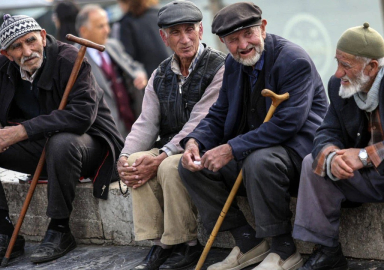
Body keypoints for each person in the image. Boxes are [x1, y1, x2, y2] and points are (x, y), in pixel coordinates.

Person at [178, 2, 328, 270]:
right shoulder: (233, 65)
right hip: (254, 150)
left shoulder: (293, 60)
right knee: (192, 167)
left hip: (297, 152)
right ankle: (248, 242)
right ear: (223, 42)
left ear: (264, 27)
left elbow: (287, 124)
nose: (243, 45)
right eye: (233, 40)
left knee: (258, 161)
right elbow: (218, 113)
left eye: (249, 34)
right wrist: (194, 141)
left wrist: (231, 148)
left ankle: (284, 249)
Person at [0, 14, 123, 263]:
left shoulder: (70, 59)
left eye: (31, 41)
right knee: (53, 143)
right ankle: (4, 232)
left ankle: (59, 229)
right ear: (6, 54)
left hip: (90, 146)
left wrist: (22, 131)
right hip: (41, 147)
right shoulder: (4, 70)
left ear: (43, 37)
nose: (27, 51)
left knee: (61, 142)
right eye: (17, 46)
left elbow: (81, 117)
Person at [116, 1, 225, 269]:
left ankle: (186, 243)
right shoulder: (160, 74)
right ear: (164, 38)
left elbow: (201, 121)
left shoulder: (220, 67)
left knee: (167, 166)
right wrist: (125, 155)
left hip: (207, 147)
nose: (185, 39)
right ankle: (160, 242)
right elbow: (146, 123)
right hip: (170, 146)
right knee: (135, 163)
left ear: (201, 30)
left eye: (190, 30)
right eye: (175, 32)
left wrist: (164, 153)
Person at [292, 23, 384, 270]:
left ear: (372, 66)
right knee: (314, 161)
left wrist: (365, 155)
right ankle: (327, 250)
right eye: (337, 63)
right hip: (366, 179)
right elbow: (326, 131)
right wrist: (332, 156)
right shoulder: (340, 86)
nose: (337, 73)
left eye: (346, 65)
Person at [77, 4, 148, 137]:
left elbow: (134, 66)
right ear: (84, 31)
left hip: (134, 125)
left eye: (107, 25)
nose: (107, 30)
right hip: (106, 132)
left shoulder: (113, 46)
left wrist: (139, 75)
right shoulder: (75, 57)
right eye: (100, 26)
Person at [114, 0, 171, 77]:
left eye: (120, 3)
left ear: (126, 3)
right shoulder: (160, 14)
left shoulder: (127, 23)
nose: (120, 7)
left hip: (150, 80)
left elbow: (128, 58)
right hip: (173, 73)